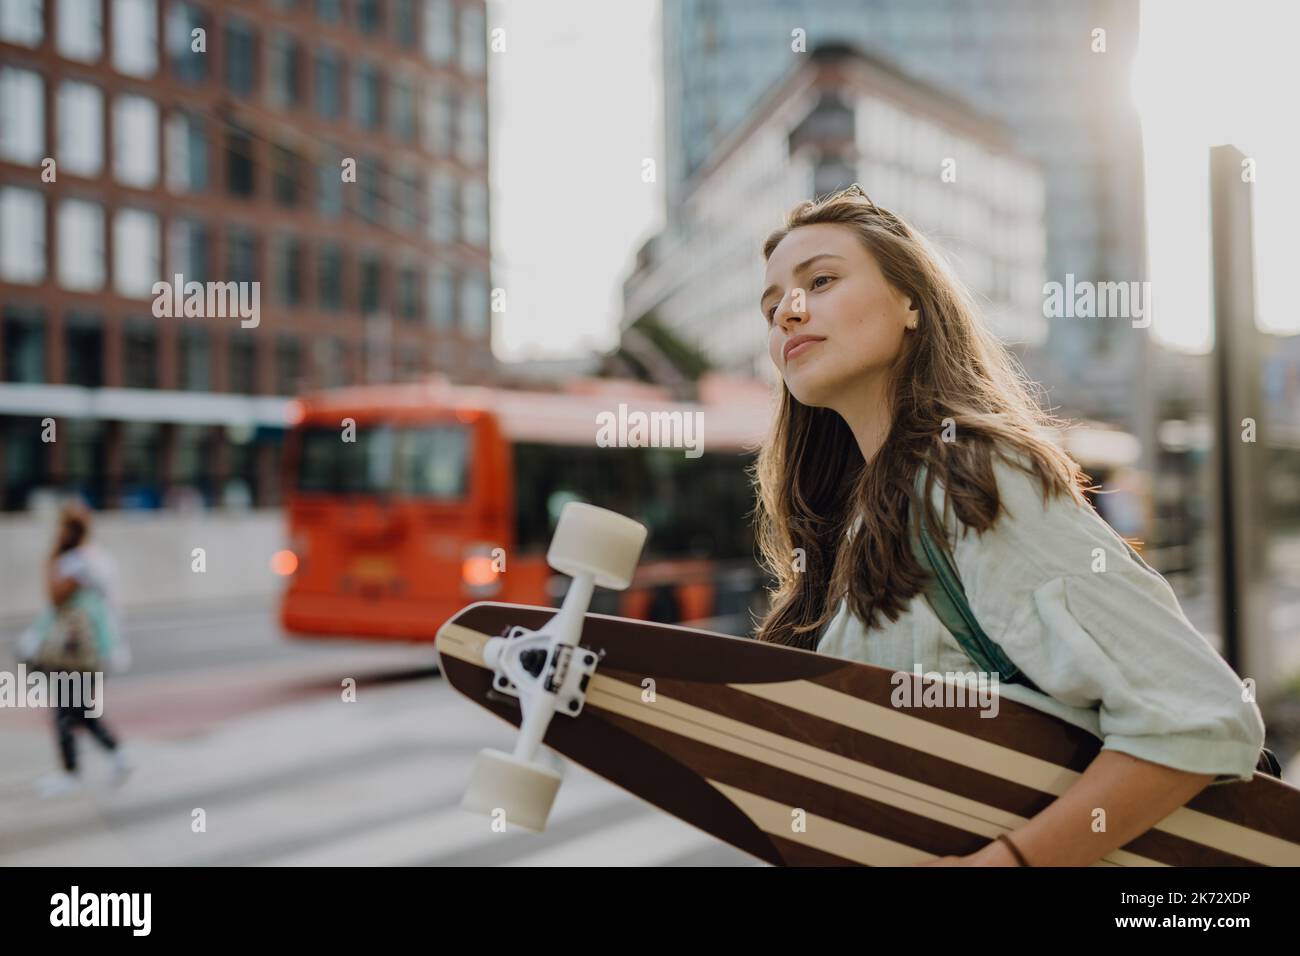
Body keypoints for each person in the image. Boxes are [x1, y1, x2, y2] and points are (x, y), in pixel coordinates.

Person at [752, 184, 1266, 866]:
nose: (789, 313)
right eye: (771, 306)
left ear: (912, 303)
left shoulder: (968, 475)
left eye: (821, 281)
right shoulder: (851, 522)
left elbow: (1197, 711)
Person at [25, 501, 132, 797]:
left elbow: (55, 596)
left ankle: (72, 773)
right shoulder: (99, 558)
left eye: (61, 527)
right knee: (78, 708)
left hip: (75, 651)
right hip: (97, 646)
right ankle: (117, 755)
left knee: (66, 710)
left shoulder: (76, 562)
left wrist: (51, 558)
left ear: (70, 530)